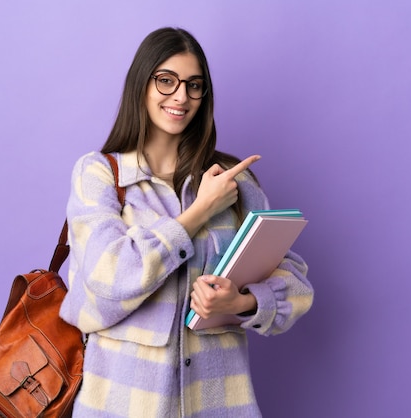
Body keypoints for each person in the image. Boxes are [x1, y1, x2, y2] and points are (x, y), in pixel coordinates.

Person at [59, 27, 313, 417]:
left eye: (194, 85)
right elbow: (108, 281)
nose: (181, 96)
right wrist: (198, 213)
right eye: (166, 81)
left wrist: (242, 302)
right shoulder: (98, 175)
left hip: (219, 403)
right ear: (140, 85)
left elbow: (296, 283)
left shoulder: (233, 181)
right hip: (120, 404)